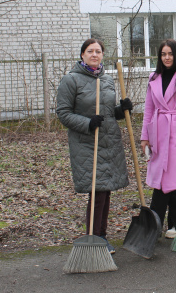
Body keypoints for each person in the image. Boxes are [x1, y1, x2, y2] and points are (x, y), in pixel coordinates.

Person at [56, 38, 133, 254]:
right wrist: (88, 123)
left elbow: (107, 113)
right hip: (87, 143)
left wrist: (121, 110)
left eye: (98, 51)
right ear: (82, 55)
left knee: (105, 191)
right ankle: (95, 237)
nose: (94, 54)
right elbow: (63, 113)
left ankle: (101, 235)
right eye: (90, 51)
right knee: (98, 191)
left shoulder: (106, 79)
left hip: (108, 142)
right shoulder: (71, 80)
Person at [140, 39, 176, 238]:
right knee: (166, 180)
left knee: (167, 179)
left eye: (170, 54)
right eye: (163, 54)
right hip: (158, 131)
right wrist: (144, 137)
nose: (167, 58)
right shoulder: (153, 77)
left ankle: (153, 226)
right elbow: (148, 109)